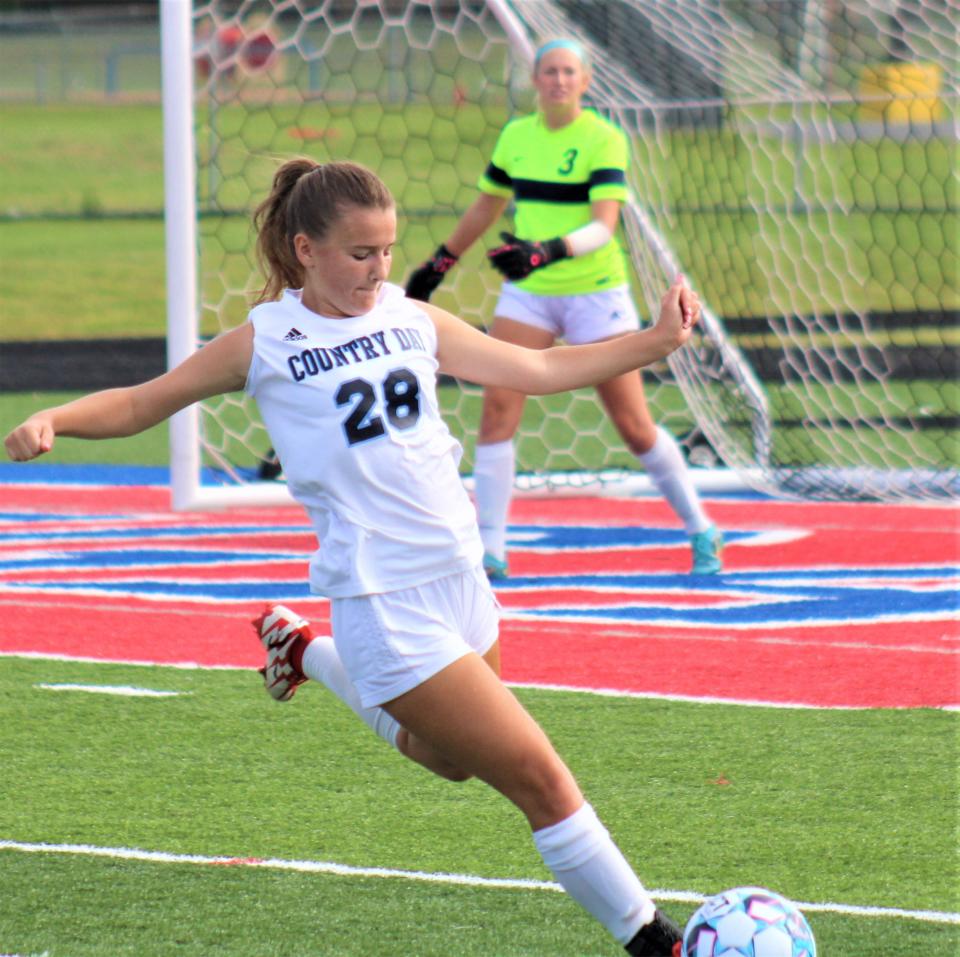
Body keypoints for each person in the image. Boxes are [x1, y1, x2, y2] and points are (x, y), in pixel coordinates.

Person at [4, 158, 701, 957]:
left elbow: (540, 369)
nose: (378, 269)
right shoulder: (264, 340)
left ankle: (303, 649)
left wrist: (655, 340)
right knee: (542, 781)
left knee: (449, 759)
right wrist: (55, 417)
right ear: (305, 248)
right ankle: (655, 939)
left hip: (462, 581)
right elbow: (141, 402)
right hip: (386, 601)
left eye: (387, 250)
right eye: (360, 252)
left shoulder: (413, 318)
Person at [405, 38, 723, 580]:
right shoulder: (518, 136)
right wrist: (439, 264)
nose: (558, 80)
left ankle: (701, 527)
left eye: (568, 72)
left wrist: (545, 250)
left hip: (595, 293)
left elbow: (603, 227)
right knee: (498, 409)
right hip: (529, 295)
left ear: (585, 80)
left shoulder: (602, 139)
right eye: (549, 71)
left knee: (633, 425)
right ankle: (493, 551)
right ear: (535, 79)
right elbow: (488, 204)